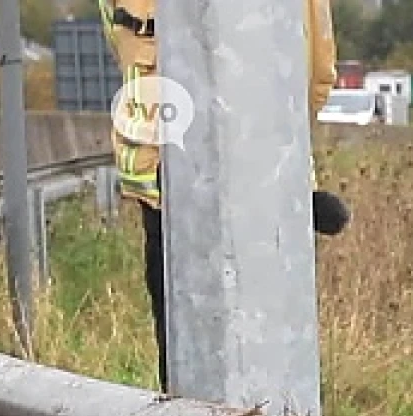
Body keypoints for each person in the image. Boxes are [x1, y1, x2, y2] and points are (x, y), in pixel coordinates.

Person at [101, 0, 348, 393]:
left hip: (169, 166)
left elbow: (118, 33)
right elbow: (317, 62)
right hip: (251, 168)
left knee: (189, 346)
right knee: (272, 338)